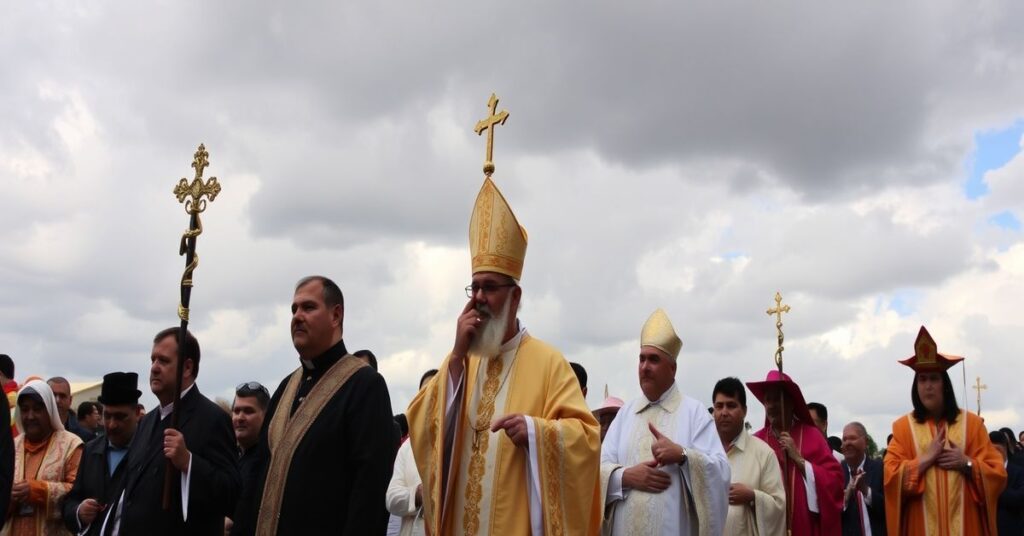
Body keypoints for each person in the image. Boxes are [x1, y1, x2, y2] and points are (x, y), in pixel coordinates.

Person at [406, 177, 602, 535]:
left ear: (515, 296)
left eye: (490, 287)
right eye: (474, 286)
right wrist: (455, 359)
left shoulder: (548, 362)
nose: (479, 297)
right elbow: (420, 425)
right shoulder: (463, 362)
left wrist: (535, 431)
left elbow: (586, 440)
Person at [250, 276, 397, 534]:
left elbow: (369, 492)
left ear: (336, 315)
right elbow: (255, 480)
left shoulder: (365, 385)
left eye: (308, 307)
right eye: (293, 309)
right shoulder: (285, 388)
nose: (297, 316)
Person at [600, 309, 730, 535]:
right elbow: (599, 470)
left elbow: (721, 473)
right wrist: (625, 477)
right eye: (641, 359)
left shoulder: (694, 413)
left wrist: (682, 456)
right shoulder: (625, 415)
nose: (645, 367)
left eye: (654, 359)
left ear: (673, 368)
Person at [100, 327, 240, 536]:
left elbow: (231, 494)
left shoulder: (213, 419)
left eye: (163, 361)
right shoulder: (146, 422)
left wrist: (189, 463)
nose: (154, 368)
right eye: (153, 360)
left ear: (187, 368)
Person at [883, 326, 1006, 535]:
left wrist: (966, 463)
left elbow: (997, 474)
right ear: (916, 386)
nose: (927, 385)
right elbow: (889, 477)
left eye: (933, 378)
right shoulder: (903, 428)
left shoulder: (973, 424)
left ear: (945, 385)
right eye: (922, 379)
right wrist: (924, 460)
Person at [748, 370, 844, 535]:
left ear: (791, 403)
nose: (770, 406)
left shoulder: (812, 435)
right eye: (767, 400)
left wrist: (799, 460)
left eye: (777, 399)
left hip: (804, 526)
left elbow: (835, 482)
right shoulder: (756, 441)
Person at [62, 372, 142, 536]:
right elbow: (71, 501)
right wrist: (79, 511)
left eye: (120, 417)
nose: (112, 425)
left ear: (137, 414)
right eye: (107, 416)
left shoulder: (147, 453)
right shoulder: (91, 450)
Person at [6, 380, 83, 535]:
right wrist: (9, 498)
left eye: (37, 409)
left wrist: (37, 490)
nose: (30, 416)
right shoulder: (11, 447)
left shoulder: (71, 445)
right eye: (25, 410)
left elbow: (78, 492)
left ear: (49, 410)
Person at [712, 377, 785, 536]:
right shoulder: (701, 451)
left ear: (744, 411)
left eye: (731, 405)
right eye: (719, 406)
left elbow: (779, 507)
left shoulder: (763, 453)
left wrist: (752, 496)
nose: (724, 412)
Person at [387, 369, 439, 536]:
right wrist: (417, 494)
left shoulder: (459, 444)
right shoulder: (408, 447)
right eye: (423, 392)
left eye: (436, 390)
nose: (429, 397)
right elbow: (391, 498)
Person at [227, 381, 269, 536]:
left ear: (266, 416)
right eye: (236, 411)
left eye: (248, 411)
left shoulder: (271, 462)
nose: (240, 417)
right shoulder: (231, 457)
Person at [840, 421, 886, 536]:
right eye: (844, 439)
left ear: (865, 442)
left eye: (852, 438)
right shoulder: (837, 471)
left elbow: (890, 508)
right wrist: (844, 499)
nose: (847, 443)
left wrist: (865, 490)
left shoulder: (881, 468)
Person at [989, 431, 1024, 535]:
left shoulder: (1019, 471)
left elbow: (1021, 497)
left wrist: (994, 491)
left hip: (1012, 529)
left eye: (998, 449)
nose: (995, 453)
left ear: (1005, 448)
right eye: (991, 450)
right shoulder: (983, 470)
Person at [46, 377, 93, 443]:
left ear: (70, 400)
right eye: (53, 395)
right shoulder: (33, 431)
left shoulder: (85, 437)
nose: (57, 400)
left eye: (62, 396)